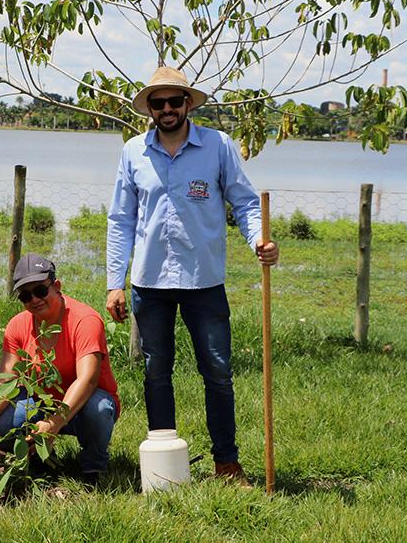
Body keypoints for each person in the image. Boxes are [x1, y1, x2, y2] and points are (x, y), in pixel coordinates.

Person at [105, 66, 279, 485]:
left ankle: (226, 462)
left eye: (175, 101)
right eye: (158, 103)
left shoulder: (218, 146)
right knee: (155, 371)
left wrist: (259, 241)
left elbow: (245, 202)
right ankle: (164, 467)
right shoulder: (133, 152)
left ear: (188, 104)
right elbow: (121, 219)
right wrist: (115, 282)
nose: (167, 109)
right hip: (150, 283)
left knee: (218, 371)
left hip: (204, 282)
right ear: (149, 108)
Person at [0, 254, 120, 486]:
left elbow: (88, 380)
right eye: (25, 296)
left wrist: (54, 423)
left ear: (56, 286)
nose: (34, 299)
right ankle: (35, 458)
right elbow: (8, 379)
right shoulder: (17, 325)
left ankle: (93, 469)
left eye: (40, 291)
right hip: (40, 405)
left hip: (84, 406)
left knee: (100, 408)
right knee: (2, 420)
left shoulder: (85, 320)